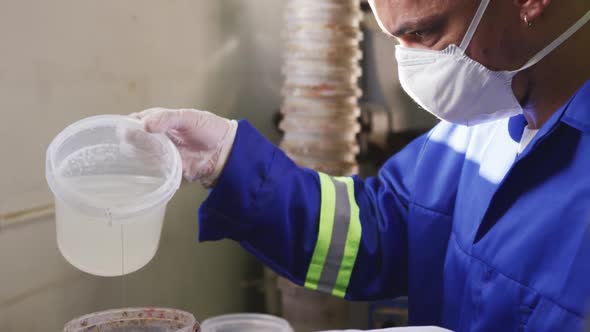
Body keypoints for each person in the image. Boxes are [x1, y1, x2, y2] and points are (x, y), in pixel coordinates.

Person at [131, 0, 590, 330]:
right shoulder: (481, 121)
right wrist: (231, 162)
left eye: (424, 33)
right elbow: (376, 230)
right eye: (395, 39)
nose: (412, 65)